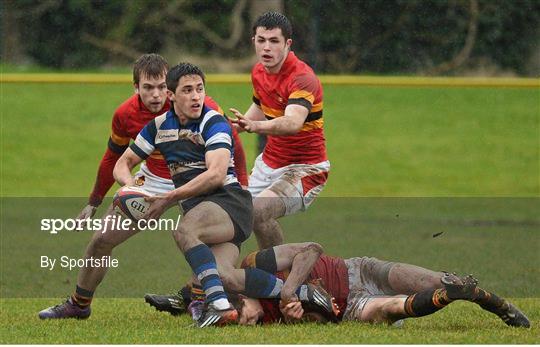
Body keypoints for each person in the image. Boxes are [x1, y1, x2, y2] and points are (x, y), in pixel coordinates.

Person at [113, 63, 334, 328]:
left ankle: (217, 305)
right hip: (205, 213)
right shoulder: (158, 127)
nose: (196, 96)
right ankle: (303, 293)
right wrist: (132, 188)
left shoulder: (213, 122)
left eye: (200, 89)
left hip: (228, 202)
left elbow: (216, 175)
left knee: (185, 231)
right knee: (226, 276)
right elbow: (122, 164)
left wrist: (168, 198)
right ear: (171, 95)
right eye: (187, 90)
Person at [38, 54, 247, 321]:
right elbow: (114, 159)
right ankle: (79, 303)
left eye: (161, 87)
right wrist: (115, 193)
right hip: (152, 180)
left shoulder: (199, 106)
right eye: (148, 88)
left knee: (199, 237)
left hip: (197, 180)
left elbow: (233, 148)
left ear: (170, 88)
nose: (156, 95)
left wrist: (243, 184)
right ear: (136, 88)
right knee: (102, 239)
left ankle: (199, 300)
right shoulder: (125, 115)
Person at [147, 242, 530, 329]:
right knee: (390, 308)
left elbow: (311, 250)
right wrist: (296, 315)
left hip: (358, 271)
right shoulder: (260, 323)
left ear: (241, 293)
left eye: (241, 314)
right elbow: (320, 316)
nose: (244, 323)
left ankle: (488, 300)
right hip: (348, 306)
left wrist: (287, 290)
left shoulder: (255, 265)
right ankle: (454, 296)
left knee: (436, 279)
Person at [229, 11, 330, 249]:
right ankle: (211, 279)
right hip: (268, 165)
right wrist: (226, 127)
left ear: (287, 44)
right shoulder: (259, 72)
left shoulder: (303, 78)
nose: (267, 47)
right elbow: (259, 107)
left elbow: (293, 122)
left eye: (274, 41)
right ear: (253, 40)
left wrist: (255, 127)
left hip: (305, 170)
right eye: (261, 40)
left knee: (257, 211)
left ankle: (279, 273)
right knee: (229, 214)